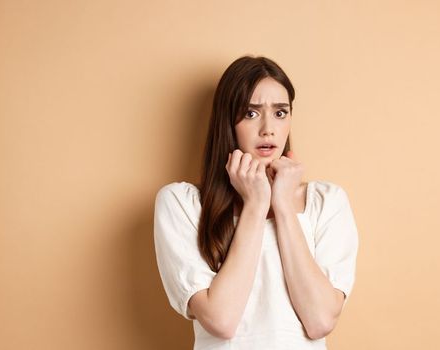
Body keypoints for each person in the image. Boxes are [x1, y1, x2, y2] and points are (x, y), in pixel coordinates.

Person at [153, 55, 359, 349]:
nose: (268, 129)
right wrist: (255, 204)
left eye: (280, 112)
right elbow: (221, 320)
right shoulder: (182, 204)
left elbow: (321, 320)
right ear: (228, 122)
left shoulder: (327, 201)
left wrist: (284, 207)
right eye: (251, 113)